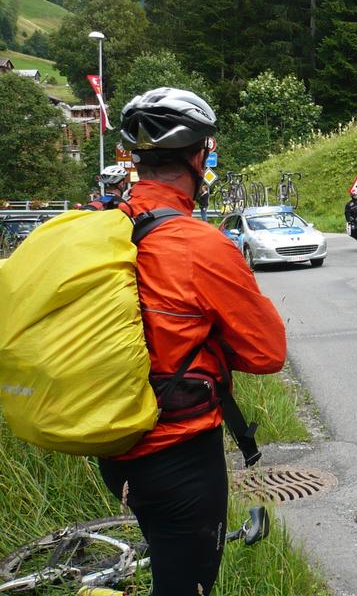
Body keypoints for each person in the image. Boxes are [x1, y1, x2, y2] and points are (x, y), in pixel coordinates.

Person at [99, 87, 287, 596]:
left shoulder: (106, 229)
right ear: (200, 156)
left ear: (138, 159)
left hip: (113, 445)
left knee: (165, 561)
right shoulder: (200, 244)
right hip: (179, 453)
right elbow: (268, 354)